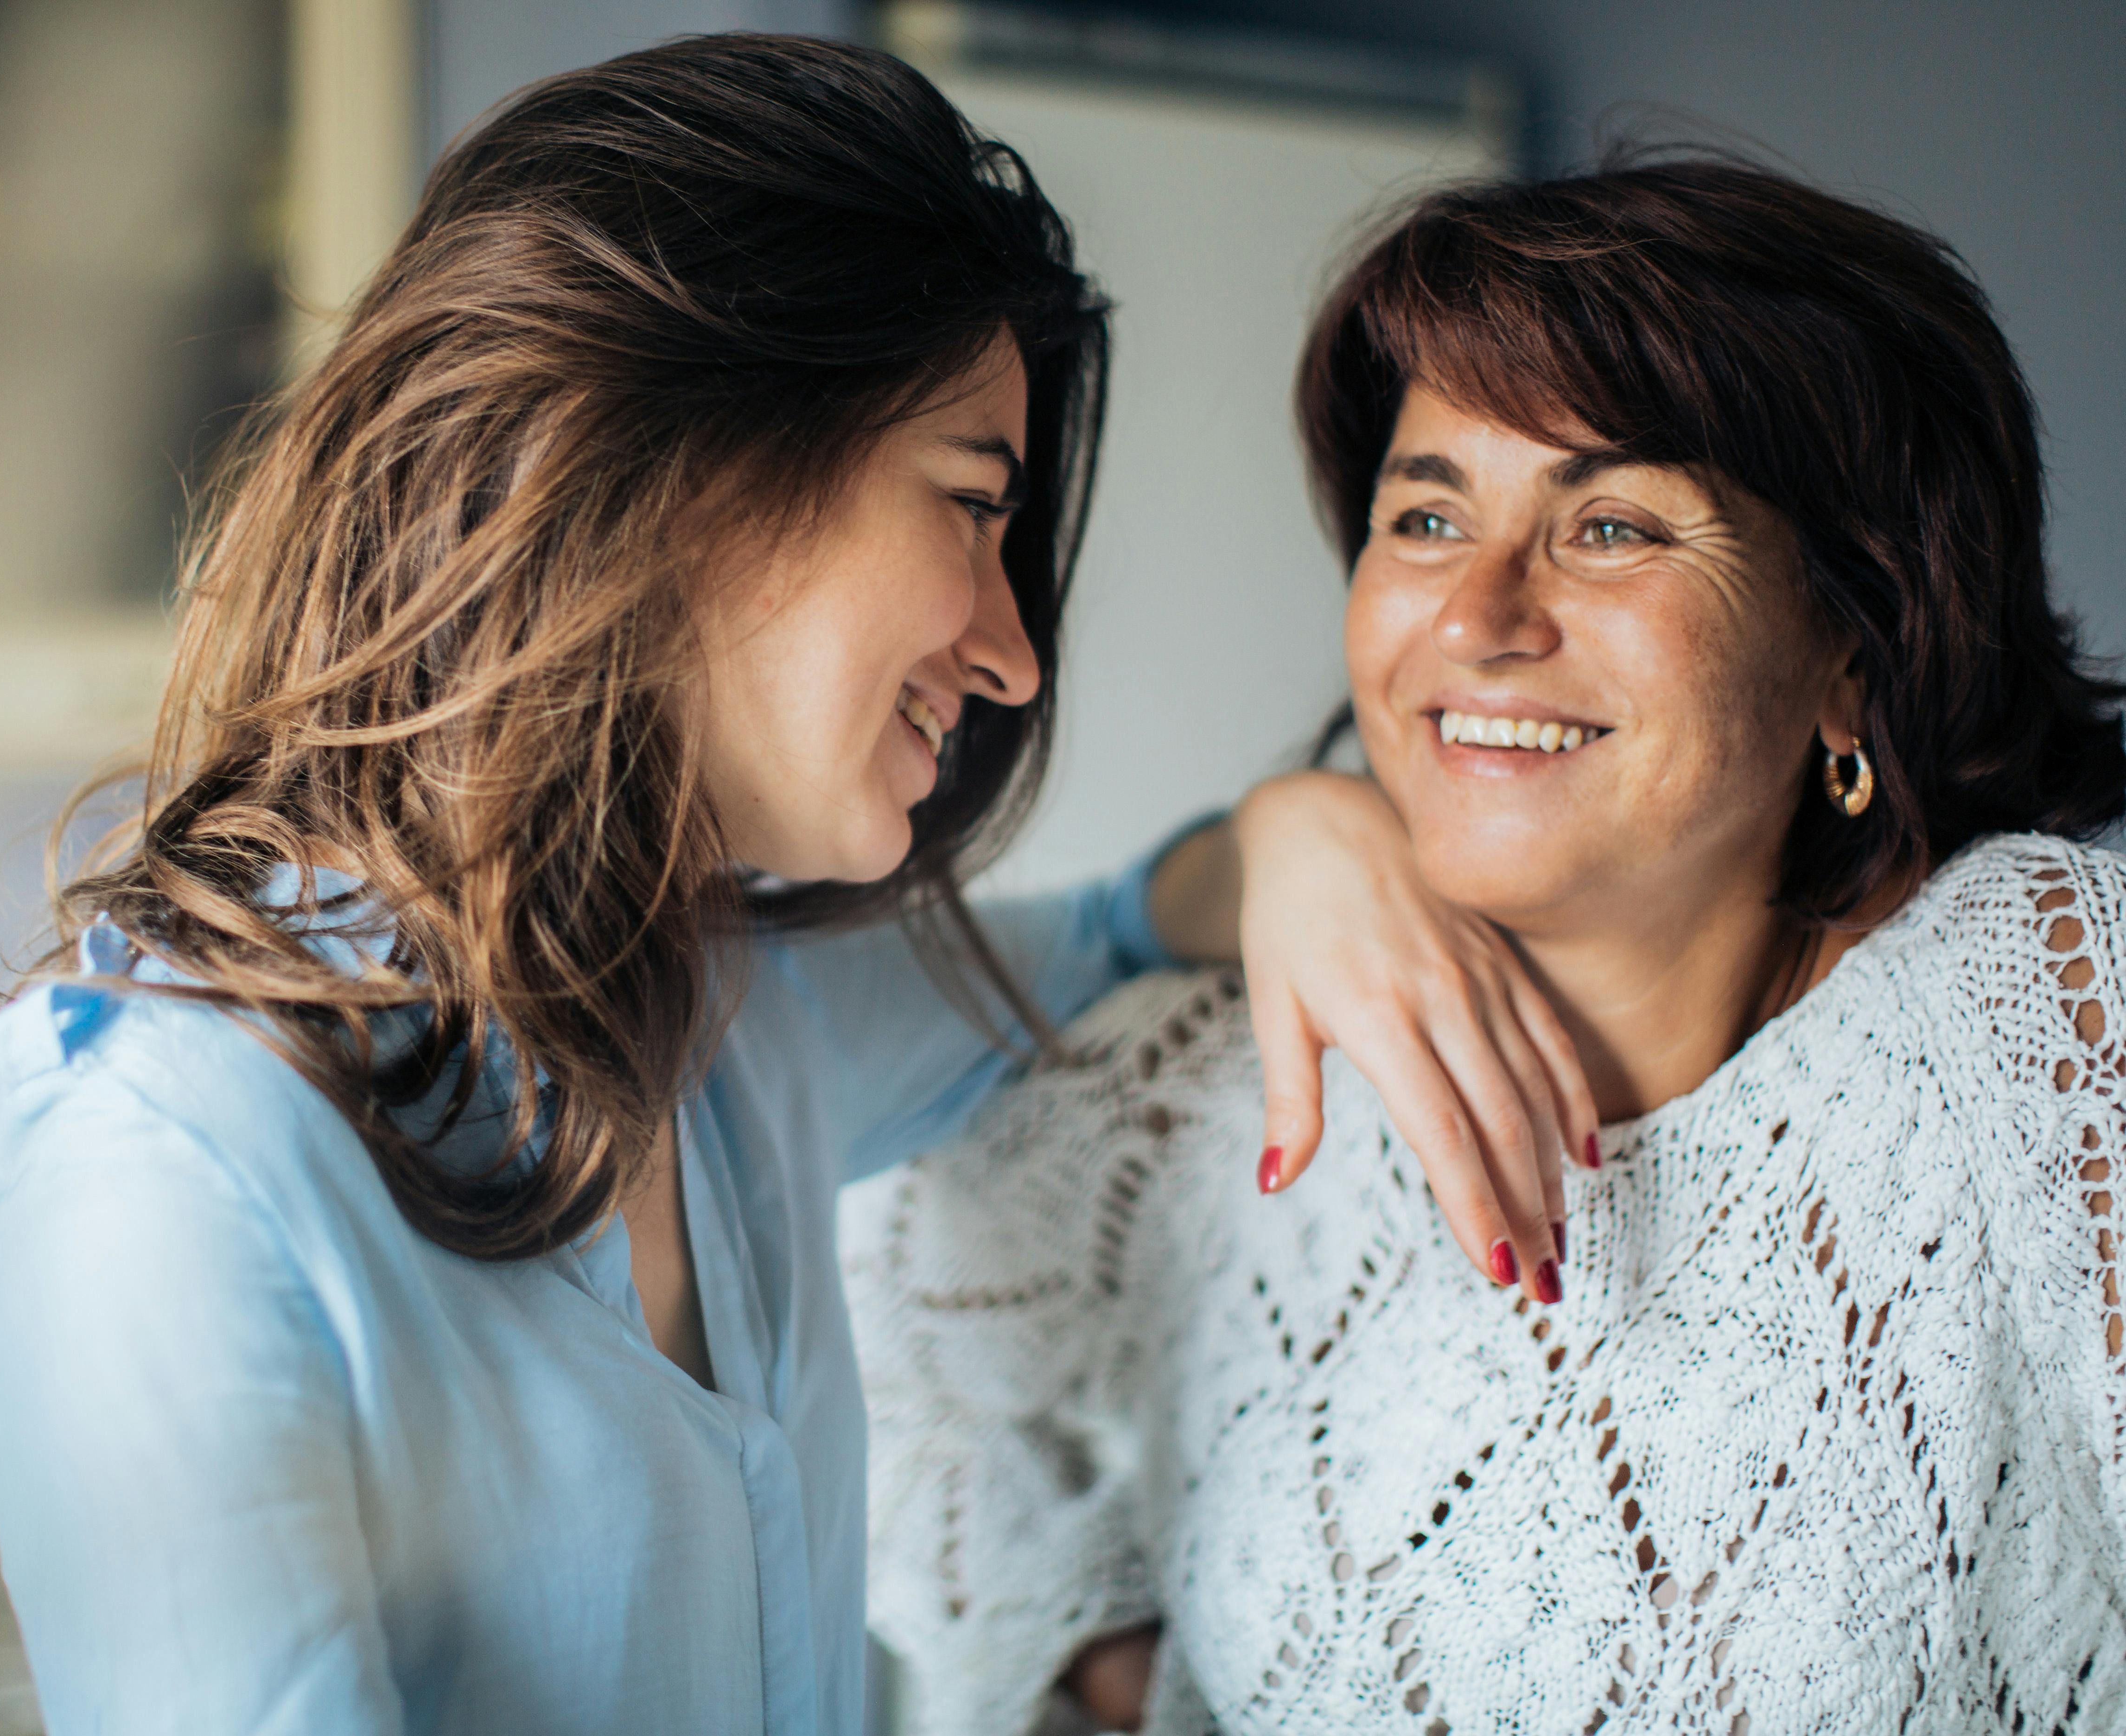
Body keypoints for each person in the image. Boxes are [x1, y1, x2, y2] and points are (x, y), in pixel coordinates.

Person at [0, 36, 1593, 1736]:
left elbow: (1101, 939)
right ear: (682, 470)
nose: (1012, 657)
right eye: (967, 505)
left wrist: (1308, 827)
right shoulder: (166, 1165)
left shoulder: (717, 1014)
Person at [848, 154, 2126, 1735]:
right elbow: (899, 1375)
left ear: (1850, 658)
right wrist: (1123, 1679)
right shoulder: (1209, 1087)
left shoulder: (2041, 1013)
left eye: (1609, 525)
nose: (1477, 611)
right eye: (1427, 512)